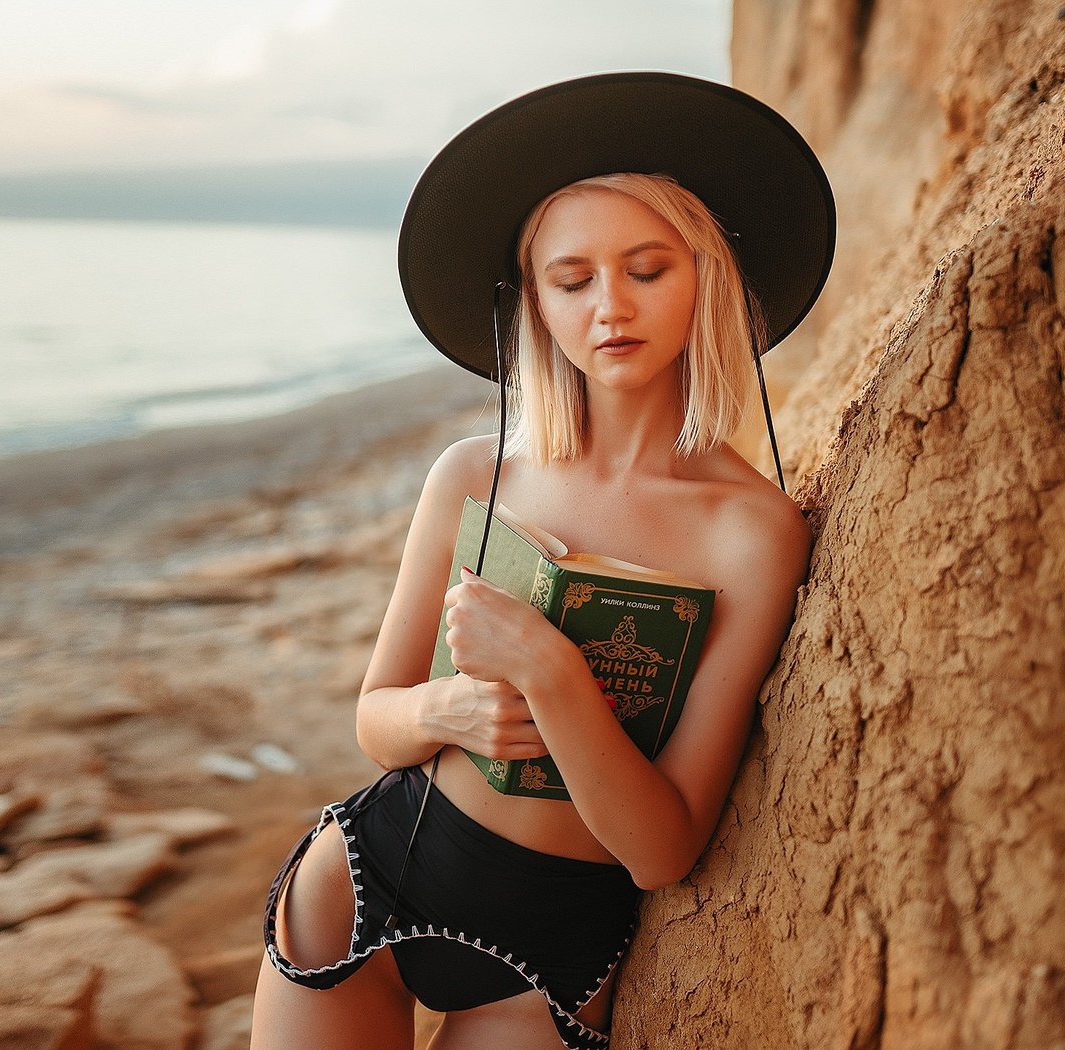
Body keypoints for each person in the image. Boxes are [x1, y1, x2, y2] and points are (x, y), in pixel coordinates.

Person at [251, 72, 835, 1050]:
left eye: (647, 270)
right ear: (536, 303)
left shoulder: (752, 530)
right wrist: (449, 710)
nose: (611, 306)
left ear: (707, 278)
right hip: (368, 880)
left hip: (553, 954)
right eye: (573, 282)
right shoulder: (473, 474)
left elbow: (662, 850)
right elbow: (376, 720)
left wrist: (547, 670)